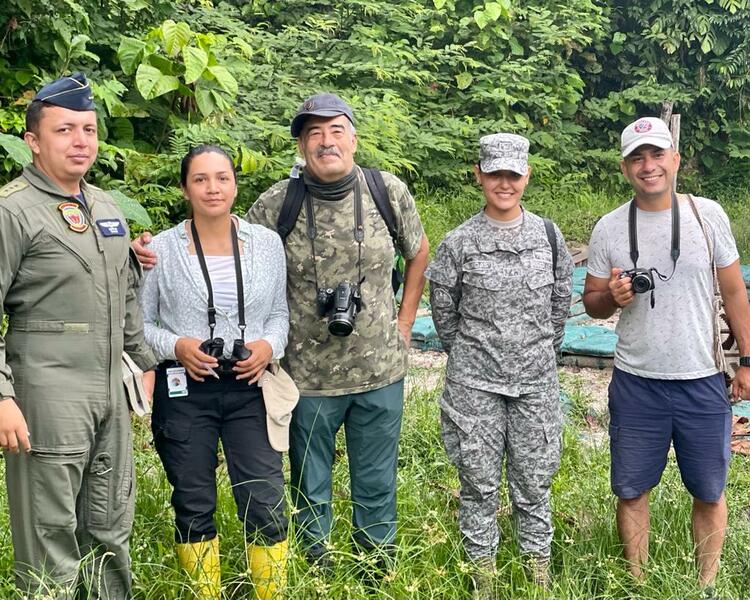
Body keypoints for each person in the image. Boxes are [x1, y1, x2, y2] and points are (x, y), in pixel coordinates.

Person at [133, 93, 429, 568]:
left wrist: (405, 322)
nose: (326, 142)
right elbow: (226, 246)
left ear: (353, 138)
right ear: (300, 146)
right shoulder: (277, 203)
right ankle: (317, 566)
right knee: (308, 482)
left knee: (376, 478)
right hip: (304, 375)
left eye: (336, 131)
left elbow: (418, 252)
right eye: (314, 134)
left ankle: (378, 567)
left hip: (380, 369)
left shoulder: (386, 190)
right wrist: (148, 251)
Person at [0, 72, 157, 599]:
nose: (81, 141)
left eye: (88, 130)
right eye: (65, 130)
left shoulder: (107, 208)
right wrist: (2, 395)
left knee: (109, 525)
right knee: (50, 536)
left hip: (109, 392)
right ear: (34, 141)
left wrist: (147, 362)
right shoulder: (11, 210)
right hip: (47, 392)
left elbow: (124, 294)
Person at [583, 117, 750, 591]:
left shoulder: (708, 215)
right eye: (637, 157)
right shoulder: (610, 227)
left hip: (703, 378)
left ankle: (706, 584)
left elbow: (735, 292)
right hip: (637, 383)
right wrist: (609, 298)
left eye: (657, 154)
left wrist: (748, 363)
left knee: (709, 490)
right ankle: (636, 582)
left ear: (676, 159)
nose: (648, 165)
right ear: (624, 167)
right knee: (632, 489)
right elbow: (591, 302)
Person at [138, 145, 290, 599]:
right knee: (193, 497)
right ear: (185, 188)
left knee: (264, 496)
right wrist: (178, 345)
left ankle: (270, 592)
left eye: (222, 177)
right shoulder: (159, 250)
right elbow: (140, 325)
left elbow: (281, 315)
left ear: (235, 184)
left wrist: (267, 346)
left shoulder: (266, 243)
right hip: (185, 389)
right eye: (200, 179)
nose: (212, 188)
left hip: (250, 385)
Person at [425, 133, 573, 598]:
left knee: (534, 483)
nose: (504, 183)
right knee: (478, 484)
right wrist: (473, 357)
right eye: (495, 174)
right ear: (479, 175)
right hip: (475, 386)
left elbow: (559, 303)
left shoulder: (548, 236)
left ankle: (538, 576)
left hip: (535, 384)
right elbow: (444, 314)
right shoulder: (459, 242)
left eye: (513, 174)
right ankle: (483, 579)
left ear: (526, 175)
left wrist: (534, 353)